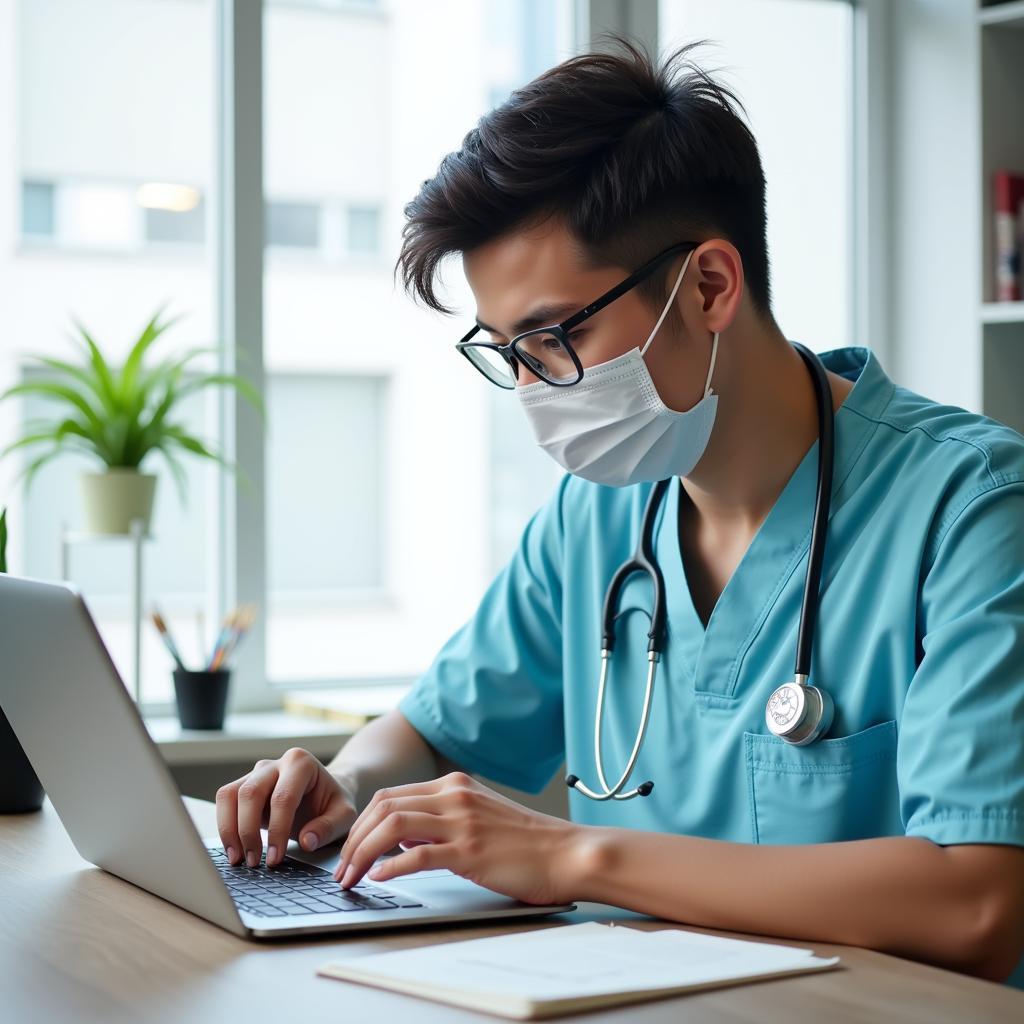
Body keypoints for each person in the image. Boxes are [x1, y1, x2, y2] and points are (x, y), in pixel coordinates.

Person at [216, 38, 1024, 984]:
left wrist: (573, 856)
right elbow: (433, 732)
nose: (533, 387)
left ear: (711, 286)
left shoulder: (972, 510)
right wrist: (342, 784)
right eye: (507, 350)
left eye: (555, 336)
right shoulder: (595, 516)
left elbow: (980, 902)